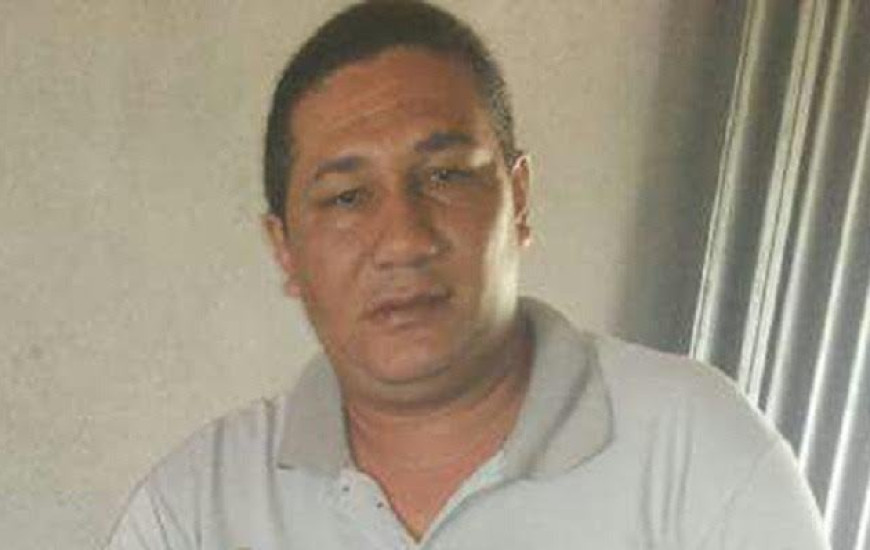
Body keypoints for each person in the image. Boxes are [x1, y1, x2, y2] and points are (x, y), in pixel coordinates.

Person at [106, 1, 829, 548]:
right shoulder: (198, 508)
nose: (404, 240)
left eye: (446, 175)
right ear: (285, 250)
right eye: (347, 197)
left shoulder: (697, 452)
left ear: (519, 201)